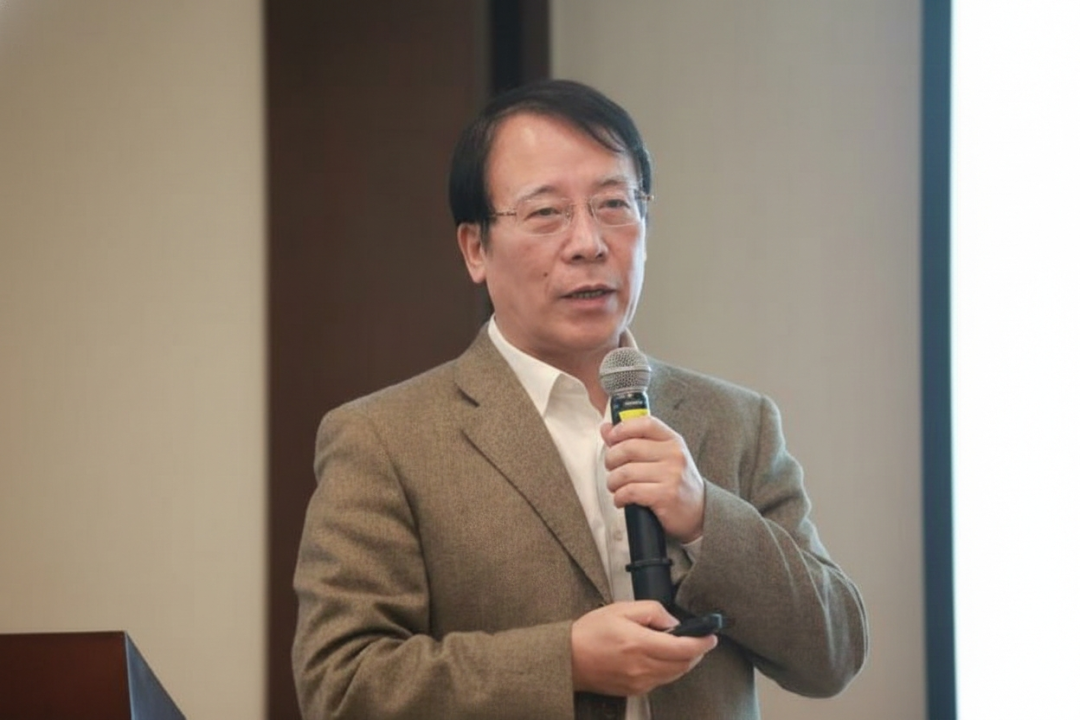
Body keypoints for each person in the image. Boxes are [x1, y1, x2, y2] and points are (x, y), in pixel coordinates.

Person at [292, 79, 868, 720]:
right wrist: (565, 662)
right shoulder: (385, 440)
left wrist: (707, 517)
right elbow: (340, 687)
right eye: (546, 212)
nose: (589, 242)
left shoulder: (736, 420)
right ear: (476, 249)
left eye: (614, 204)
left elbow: (834, 653)